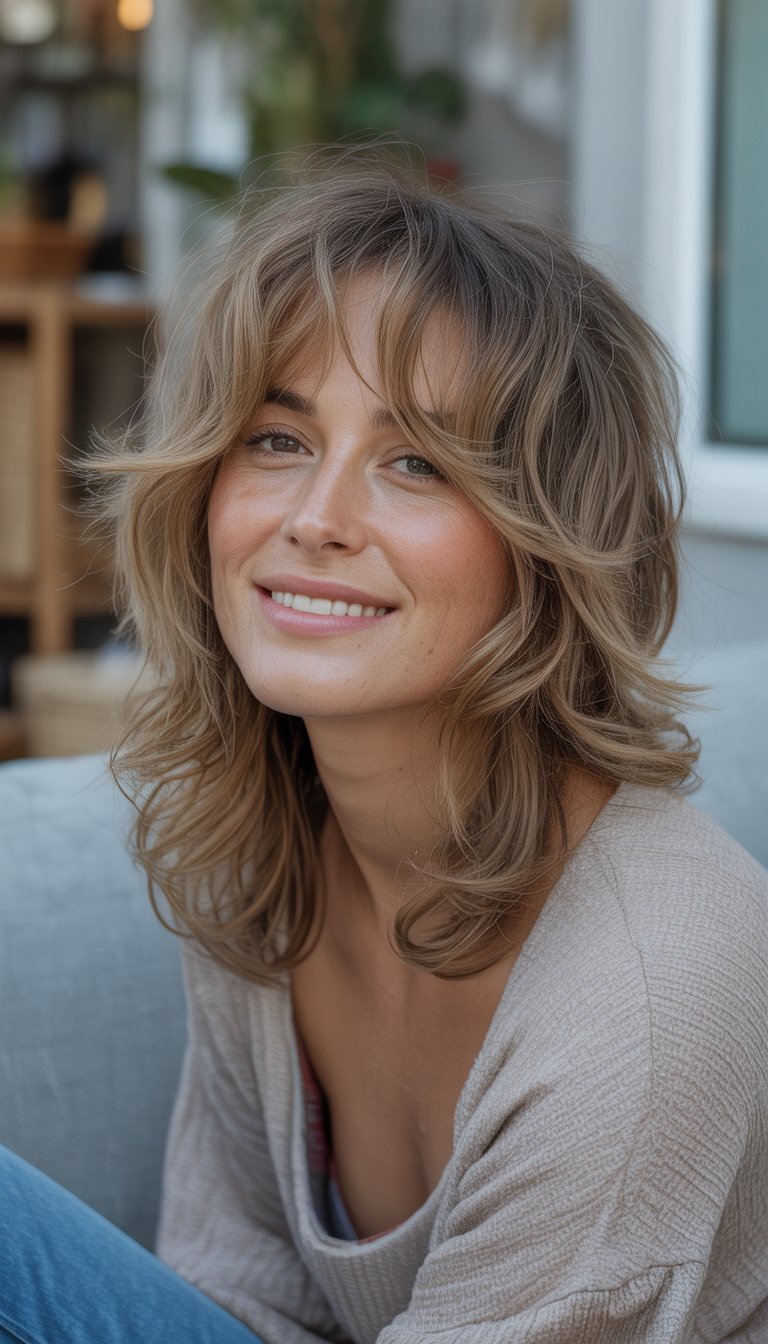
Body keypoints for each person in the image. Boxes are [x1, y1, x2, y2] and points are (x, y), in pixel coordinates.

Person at [2, 157, 767, 1344]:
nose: (316, 516)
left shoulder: (652, 983)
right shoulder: (257, 855)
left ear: (552, 547)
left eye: (417, 462)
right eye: (275, 438)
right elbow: (235, 1291)